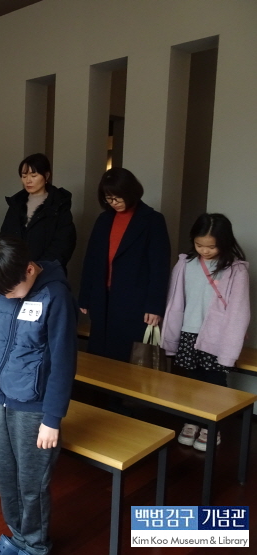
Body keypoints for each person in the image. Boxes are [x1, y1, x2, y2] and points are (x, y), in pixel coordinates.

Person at [0, 236, 77, 555]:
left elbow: (63, 361)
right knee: (7, 476)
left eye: (10, 291)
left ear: (29, 270)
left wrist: (52, 418)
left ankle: (35, 545)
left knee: (31, 483)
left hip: (35, 408)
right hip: (0, 399)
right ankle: (18, 536)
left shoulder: (55, 295)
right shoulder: (2, 288)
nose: (6, 297)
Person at [161, 214, 250, 450]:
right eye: (200, 245)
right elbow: (174, 301)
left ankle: (211, 426)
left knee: (215, 383)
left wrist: (230, 347)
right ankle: (192, 421)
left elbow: (239, 311)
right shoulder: (185, 264)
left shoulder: (236, 270)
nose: (205, 251)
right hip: (188, 332)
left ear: (225, 242)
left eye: (211, 246)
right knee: (191, 381)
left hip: (217, 336)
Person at [78, 168, 170, 362]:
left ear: (130, 192)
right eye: (109, 198)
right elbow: (91, 259)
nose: (114, 202)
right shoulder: (103, 219)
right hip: (102, 298)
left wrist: (155, 306)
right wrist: (85, 296)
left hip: (134, 302)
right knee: (99, 356)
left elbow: (159, 267)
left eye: (117, 197)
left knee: (126, 358)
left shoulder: (153, 220)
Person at [0, 153, 76, 270]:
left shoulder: (58, 204)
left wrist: (39, 268)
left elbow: (63, 244)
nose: (28, 181)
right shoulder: (16, 203)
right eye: (24, 176)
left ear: (47, 175)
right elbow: (5, 237)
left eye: (33, 175)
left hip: (46, 272)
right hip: (15, 271)